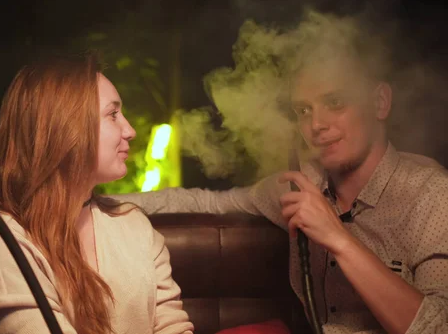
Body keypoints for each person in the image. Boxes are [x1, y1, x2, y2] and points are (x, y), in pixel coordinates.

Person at [113, 41, 448, 333]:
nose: (316, 124)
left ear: (379, 102)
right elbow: (208, 203)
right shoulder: (302, 184)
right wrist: (89, 199)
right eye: (303, 110)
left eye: (335, 103)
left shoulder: (431, 194)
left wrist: (338, 239)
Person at [0, 54, 194, 334]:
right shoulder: (0, 242)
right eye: (113, 114)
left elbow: (173, 328)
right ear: (65, 127)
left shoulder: (134, 226)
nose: (129, 130)